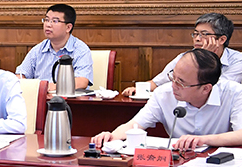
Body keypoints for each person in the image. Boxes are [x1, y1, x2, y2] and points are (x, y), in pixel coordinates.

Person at [92, 49, 242, 151]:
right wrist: (111, 136)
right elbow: (134, 124)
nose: (173, 85)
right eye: (173, 77)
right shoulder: (163, 94)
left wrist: (203, 140)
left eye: (181, 82)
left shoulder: (234, 93)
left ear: (206, 88)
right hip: (178, 163)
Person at [123, 12, 242, 96]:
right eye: (195, 34)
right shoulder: (184, 57)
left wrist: (206, 58)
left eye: (204, 34)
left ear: (221, 40)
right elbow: (157, 82)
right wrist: (137, 89)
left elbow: (218, 90)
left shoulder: (238, 61)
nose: (197, 39)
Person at [16, 3, 92, 91]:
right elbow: (20, 75)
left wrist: (48, 87)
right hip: (40, 98)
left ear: (68, 27)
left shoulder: (81, 50)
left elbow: (82, 81)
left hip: (67, 99)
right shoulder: (38, 49)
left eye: (55, 21)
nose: (48, 24)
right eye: (46, 20)